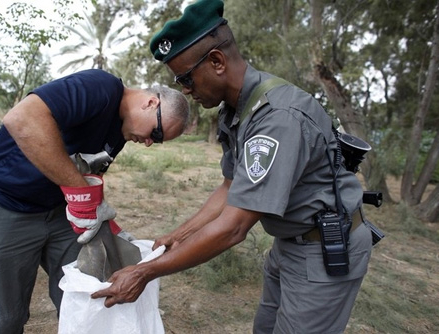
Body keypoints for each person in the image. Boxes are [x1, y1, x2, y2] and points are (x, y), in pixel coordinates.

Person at [92, 1, 374, 333]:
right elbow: (230, 187)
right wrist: (179, 235)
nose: (184, 89)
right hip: (289, 243)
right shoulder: (236, 110)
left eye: (186, 78)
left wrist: (144, 272)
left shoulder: (277, 119)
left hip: (323, 250)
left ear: (217, 61)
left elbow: (233, 227)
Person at [0, 68, 190, 334]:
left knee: (86, 299)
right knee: (0, 318)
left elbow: (84, 172)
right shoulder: (100, 87)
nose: (148, 142)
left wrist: (108, 225)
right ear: (151, 103)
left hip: (58, 212)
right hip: (7, 206)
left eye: (156, 142)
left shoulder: (121, 130)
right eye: (156, 134)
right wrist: (82, 194)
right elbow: (22, 118)